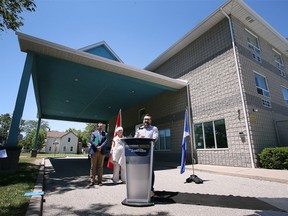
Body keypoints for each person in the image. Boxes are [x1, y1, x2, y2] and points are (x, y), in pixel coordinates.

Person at [134, 114, 158, 197]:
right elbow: (135, 139)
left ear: (150, 121)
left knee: (150, 171)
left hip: (149, 152)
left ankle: (150, 189)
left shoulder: (154, 128)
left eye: (148, 119)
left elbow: (154, 139)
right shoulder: (139, 129)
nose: (146, 121)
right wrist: (138, 139)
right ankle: (141, 188)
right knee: (141, 171)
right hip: (139, 152)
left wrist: (144, 140)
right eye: (145, 119)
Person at [88, 123, 108, 187]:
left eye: (101, 126)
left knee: (100, 167)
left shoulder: (105, 134)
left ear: (103, 127)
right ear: (97, 127)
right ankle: (92, 181)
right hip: (94, 151)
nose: (100, 127)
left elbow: (105, 141)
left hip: (102, 152)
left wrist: (100, 147)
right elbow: (92, 140)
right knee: (93, 167)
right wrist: (97, 146)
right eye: (99, 126)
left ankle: (100, 181)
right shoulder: (94, 133)